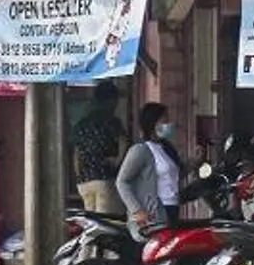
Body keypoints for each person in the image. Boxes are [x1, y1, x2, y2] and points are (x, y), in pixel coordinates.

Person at [114, 103, 182, 233]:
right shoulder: (140, 150)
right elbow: (122, 182)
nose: (169, 124)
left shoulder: (166, 148)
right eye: (164, 120)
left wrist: (195, 162)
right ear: (152, 123)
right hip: (154, 213)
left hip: (172, 207)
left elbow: (174, 175)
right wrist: (137, 210)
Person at [69, 85, 126, 214]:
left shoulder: (82, 123)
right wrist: (118, 160)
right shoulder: (111, 120)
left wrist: (79, 176)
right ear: (110, 100)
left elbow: (76, 154)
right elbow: (123, 140)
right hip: (104, 177)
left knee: (91, 222)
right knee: (105, 222)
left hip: (85, 182)